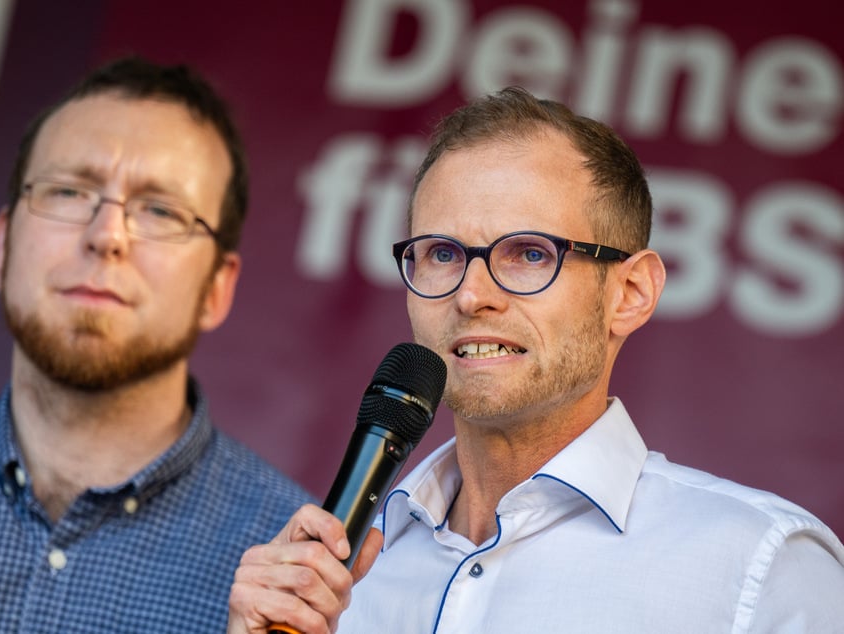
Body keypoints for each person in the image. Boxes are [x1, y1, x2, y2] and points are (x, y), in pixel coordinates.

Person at [227, 87, 844, 633]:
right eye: (442, 253)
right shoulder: (331, 581)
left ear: (630, 294)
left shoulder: (762, 569)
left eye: (528, 253)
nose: (472, 295)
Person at [0, 56, 314, 632]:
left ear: (217, 288)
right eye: (69, 191)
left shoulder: (299, 576)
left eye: (160, 210)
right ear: (1, 246)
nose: (106, 236)